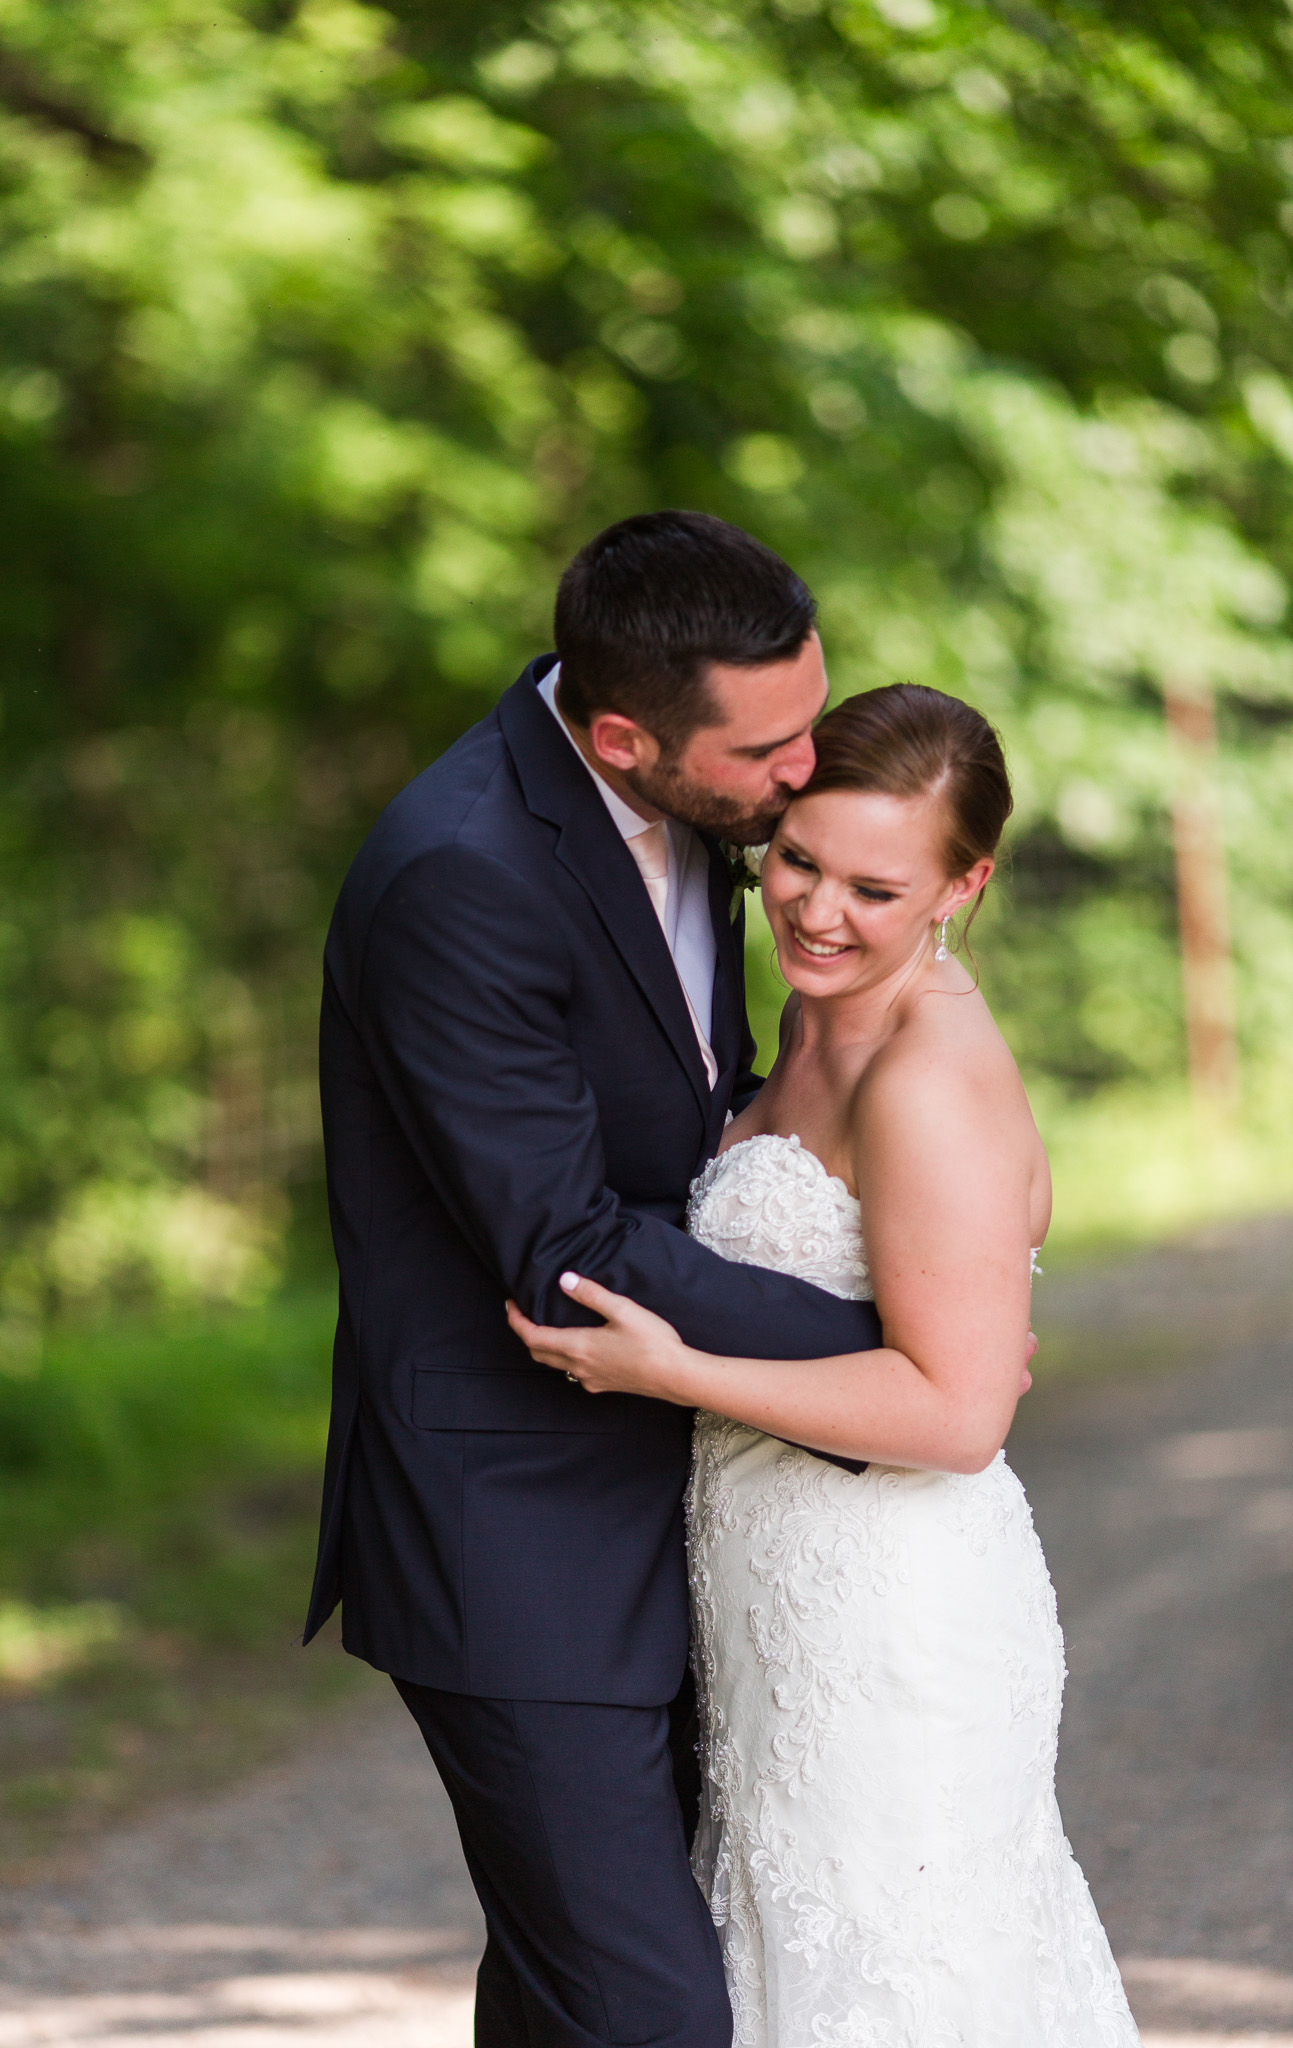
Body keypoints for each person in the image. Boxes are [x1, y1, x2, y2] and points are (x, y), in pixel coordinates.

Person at [302, 511, 892, 2048]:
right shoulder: (461, 874)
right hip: (516, 1540)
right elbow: (562, 1247)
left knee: (579, 1996)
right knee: (647, 2012)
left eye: (809, 719)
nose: (803, 768)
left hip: (682, 1491)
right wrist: (883, 1358)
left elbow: (697, 1114)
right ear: (623, 734)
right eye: (768, 748)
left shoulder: (695, 811)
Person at [509, 685, 1141, 2046]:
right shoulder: (813, 1013)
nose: (815, 911)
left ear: (959, 886)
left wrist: (670, 1371)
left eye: (872, 885)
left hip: (890, 1617)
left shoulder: (922, 1077)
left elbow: (959, 1411)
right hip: (773, 1605)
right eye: (796, 860)